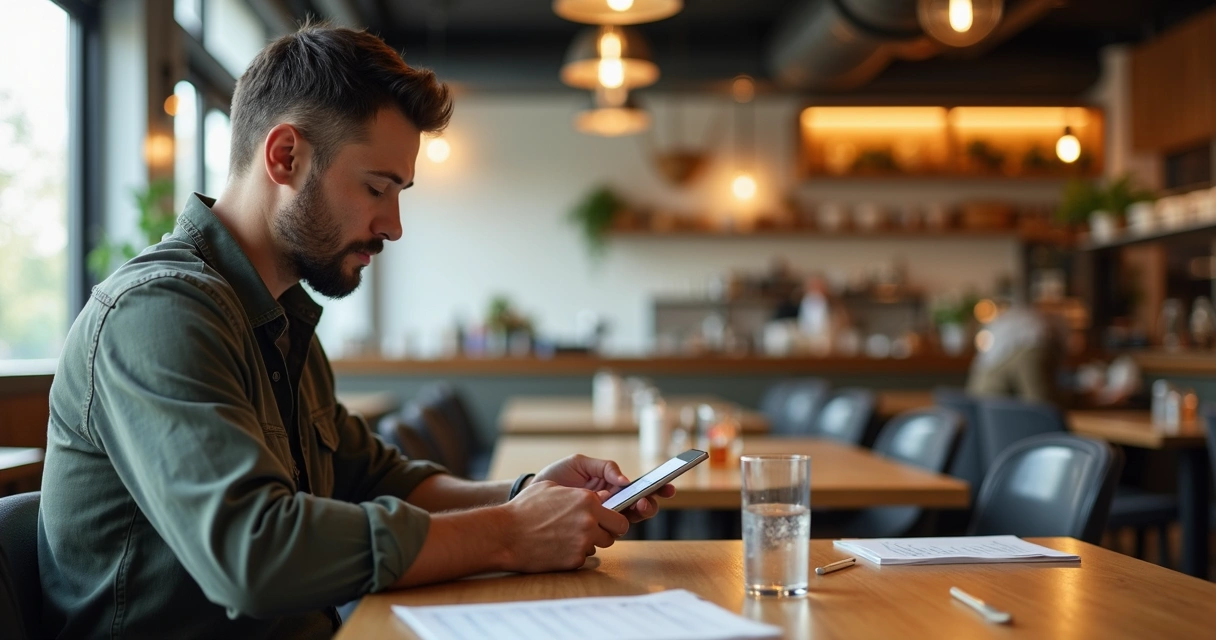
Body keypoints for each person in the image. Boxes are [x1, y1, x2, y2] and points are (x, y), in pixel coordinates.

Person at [38, 23, 673, 639]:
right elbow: (255, 556)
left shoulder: (281, 317)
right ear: (285, 156)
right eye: (377, 187)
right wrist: (510, 531)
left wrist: (526, 494)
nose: (394, 226)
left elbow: (375, 479)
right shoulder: (158, 314)